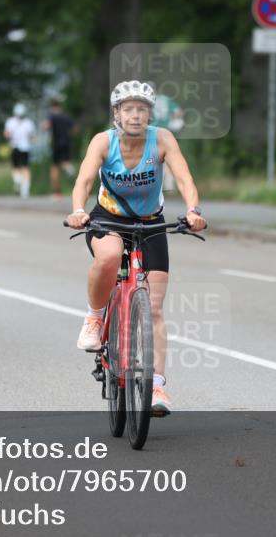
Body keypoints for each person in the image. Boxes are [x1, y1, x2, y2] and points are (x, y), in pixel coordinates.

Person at [66, 80, 207, 417]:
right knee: (111, 257)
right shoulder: (103, 141)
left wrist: (193, 211)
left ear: (149, 114)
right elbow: (84, 180)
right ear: (117, 113)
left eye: (141, 109)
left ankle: (157, 384)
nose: (135, 115)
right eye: (128, 108)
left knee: (155, 308)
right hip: (108, 219)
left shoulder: (162, 139)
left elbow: (185, 179)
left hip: (150, 223)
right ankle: (95, 317)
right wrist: (77, 210)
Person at [42, 98, 78, 200]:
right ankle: (71, 171)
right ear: (60, 105)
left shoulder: (51, 116)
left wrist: (43, 126)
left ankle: (57, 193)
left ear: (52, 106)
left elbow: (46, 126)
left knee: (54, 167)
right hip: (66, 143)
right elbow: (75, 128)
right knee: (66, 163)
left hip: (56, 144)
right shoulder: (66, 116)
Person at [4, 103, 36, 198]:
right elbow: (33, 138)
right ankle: (25, 189)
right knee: (26, 168)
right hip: (26, 147)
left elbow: (6, 134)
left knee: (16, 167)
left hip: (15, 147)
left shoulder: (10, 122)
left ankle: (17, 181)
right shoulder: (29, 122)